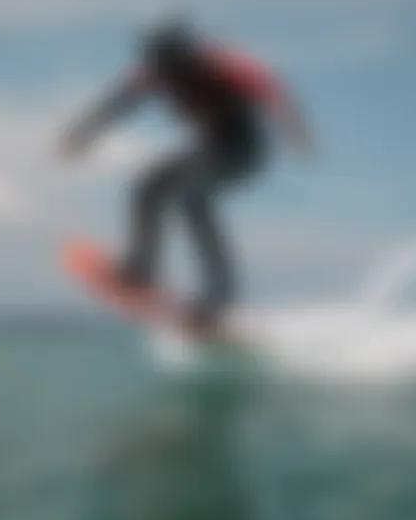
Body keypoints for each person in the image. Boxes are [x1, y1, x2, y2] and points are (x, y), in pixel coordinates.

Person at [57, 18, 314, 337]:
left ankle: (219, 297)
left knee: (193, 199)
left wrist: (299, 135)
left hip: (244, 149)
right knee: (148, 187)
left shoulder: (221, 65)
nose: (170, 78)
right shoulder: (156, 73)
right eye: (164, 70)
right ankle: (140, 272)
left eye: (175, 69)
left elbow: (269, 89)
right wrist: (81, 134)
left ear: (187, 57)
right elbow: (118, 104)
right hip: (211, 146)